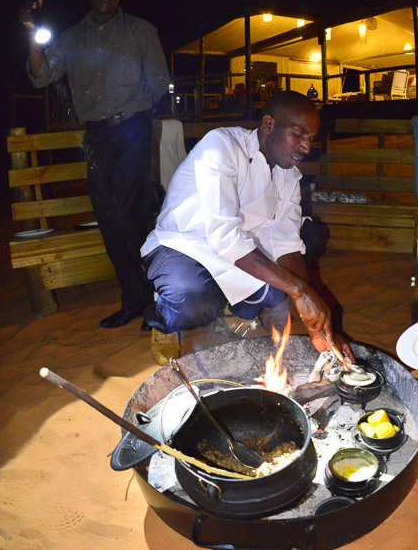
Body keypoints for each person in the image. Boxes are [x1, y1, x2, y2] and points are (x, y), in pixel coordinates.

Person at [142, 90, 353, 362]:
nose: (306, 147)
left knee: (292, 266)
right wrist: (300, 291)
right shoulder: (222, 146)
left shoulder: (288, 176)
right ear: (269, 124)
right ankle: (164, 319)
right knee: (191, 303)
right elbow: (224, 238)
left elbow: (286, 244)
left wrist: (319, 324)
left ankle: (228, 307)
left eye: (311, 138)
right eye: (299, 134)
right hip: (184, 246)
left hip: (237, 250)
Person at [23, 0, 170, 328]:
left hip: (133, 130)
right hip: (98, 138)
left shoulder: (139, 30)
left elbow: (158, 82)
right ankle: (134, 299)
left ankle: (158, 300)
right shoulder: (73, 37)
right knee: (108, 219)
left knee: (133, 218)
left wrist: (133, 116)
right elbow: (41, 75)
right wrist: (31, 35)